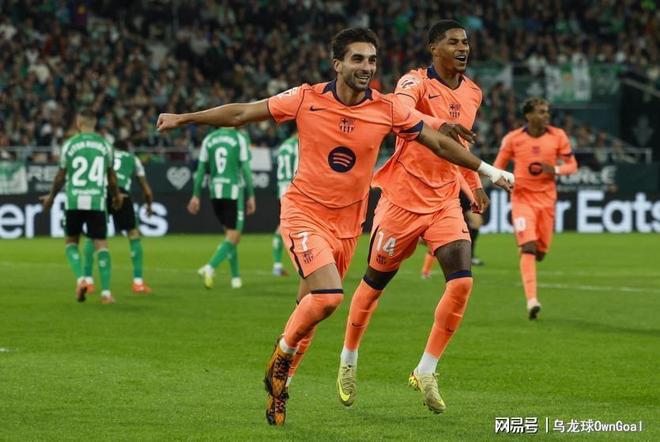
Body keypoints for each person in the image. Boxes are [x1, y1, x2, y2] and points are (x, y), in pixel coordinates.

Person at [156, 27, 513, 426]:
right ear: (337, 64)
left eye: (372, 60)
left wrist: (486, 171)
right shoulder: (305, 98)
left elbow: (440, 143)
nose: (366, 67)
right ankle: (282, 353)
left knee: (309, 309)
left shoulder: (386, 109)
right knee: (328, 298)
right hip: (304, 213)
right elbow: (241, 113)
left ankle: (280, 387)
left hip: (347, 225)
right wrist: (186, 118)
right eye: (358, 59)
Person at [335, 20, 494, 414]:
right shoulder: (415, 82)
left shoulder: (473, 92)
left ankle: (426, 370)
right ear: (433, 48)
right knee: (373, 285)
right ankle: (348, 359)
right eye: (453, 42)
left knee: (462, 282)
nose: (463, 48)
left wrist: (473, 184)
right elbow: (399, 109)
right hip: (402, 201)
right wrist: (439, 123)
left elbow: (458, 145)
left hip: (444, 201)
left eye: (466, 42)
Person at [494, 97, 578, 319]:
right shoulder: (513, 139)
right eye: (541, 111)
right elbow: (497, 168)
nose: (546, 115)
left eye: (547, 111)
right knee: (529, 247)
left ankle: (526, 250)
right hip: (522, 200)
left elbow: (572, 165)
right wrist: (504, 181)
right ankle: (532, 300)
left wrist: (556, 170)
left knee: (539, 253)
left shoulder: (558, 136)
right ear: (528, 115)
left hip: (547, 201)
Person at [40, 109, 122, 304]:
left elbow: (60, 175)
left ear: (78, 122)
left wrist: (51, 197)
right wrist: (117, 195)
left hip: (74, 200)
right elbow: (111, 176)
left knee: (71, 243)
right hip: (96, 201)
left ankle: (81, 279)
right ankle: (106, 293)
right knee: (101, 244)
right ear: (95, 123)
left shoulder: (69, 144)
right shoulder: (105, 145)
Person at [82, 140, 154, 294]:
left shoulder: (104, 155)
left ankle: (87, 281)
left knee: (92, 236)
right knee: (133, 234)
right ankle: (138, 282)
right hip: (122, 194)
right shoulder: (133, 159)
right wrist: (149, 206)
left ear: (113, 148)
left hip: (101, 193)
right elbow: (147, 191)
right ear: (127, 149)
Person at [190, 126, 256, 289]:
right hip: (233, 192)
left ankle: (235, 278)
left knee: (229, 236)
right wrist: (251, 195)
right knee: (234, 237)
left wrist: (195, 195)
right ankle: (210, 267)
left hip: (215, 193)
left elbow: (200, 170)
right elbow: (246, 168)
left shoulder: (209, 139)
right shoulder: (239, 138)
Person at [421, 175, 484, 279]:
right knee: (438, 238)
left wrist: (473, 196)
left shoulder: (462, 171)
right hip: (447, 193)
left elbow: (466, 176)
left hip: (462, 194)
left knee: (476, 223)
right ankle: (426, 270)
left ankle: (470, 256)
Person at [272, 131, 299, 276]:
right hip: (293, 188)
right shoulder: (298, 145)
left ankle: (277, 265)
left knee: (284, 225)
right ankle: (304, 264)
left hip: (281, 189)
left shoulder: (283, 146)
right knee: (296, 227)